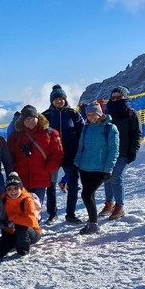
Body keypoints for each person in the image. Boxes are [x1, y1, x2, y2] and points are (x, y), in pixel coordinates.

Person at [7, 105, 64, 224]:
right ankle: (23, 230)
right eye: (27, 119)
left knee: (35, 206)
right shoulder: (16, 135)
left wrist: (48, 169)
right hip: (21, 177)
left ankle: (33, 230)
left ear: (38, 118)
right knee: (21, 205)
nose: (30, 121)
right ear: (22, 121)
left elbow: (57, 154)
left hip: (41, 177)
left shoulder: (50, 133)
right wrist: (13, 171)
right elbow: (9, 155)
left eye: (32, 118)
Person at [42, 85, 85, 224]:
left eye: (61, 99)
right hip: (52, 155)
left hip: (70, 155)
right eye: (56, 99)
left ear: (65, 99)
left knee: (73, 184)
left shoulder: (73, 114)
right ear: (51, 101)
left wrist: (79, 149)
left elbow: (81, 133)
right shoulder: (46, 116)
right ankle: (52, 214)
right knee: (50, 185)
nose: (59, 101)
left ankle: (70, 214)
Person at [75, 102, 120, 234]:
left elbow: (114, 150)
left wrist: (108, 168)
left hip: (100, 168)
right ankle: (91, 221)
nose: (91, 117)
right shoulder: (86, 127)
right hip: (84, 167)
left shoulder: (110, 128)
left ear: (100, 114)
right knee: (90, 195)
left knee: (86, 195)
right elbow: (81, 146)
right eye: (88, 115)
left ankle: (94, 225)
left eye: (94, 114)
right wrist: (77, 162)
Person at [102, 86, 143, 220]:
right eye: (113, 97)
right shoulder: (107, 113)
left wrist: (133, 151)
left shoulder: (131, 113)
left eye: (119, 97)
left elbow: (137, 134)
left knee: (116, 177)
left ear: (125, 97)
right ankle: (109, 204)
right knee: (107, 177)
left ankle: (119, 206)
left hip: (124, 152)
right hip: (107, 152)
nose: (115, 99)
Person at [0, 172, 43, 258]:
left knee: (20, 226)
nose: (13, 191)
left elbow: (30, 221)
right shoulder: (3, 198)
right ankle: (15, 243)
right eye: (9, 189)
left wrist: (13, 218)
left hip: (31, 232)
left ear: (21, 188)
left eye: (16, 188)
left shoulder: (27, 199)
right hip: (11, 231)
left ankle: (23, 250)